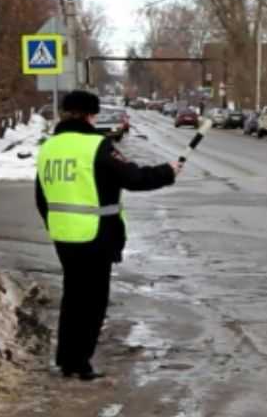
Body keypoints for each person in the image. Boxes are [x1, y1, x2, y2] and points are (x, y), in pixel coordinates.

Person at [35, 90, 182, 381]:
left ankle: (66, 358)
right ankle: (81, 363)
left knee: (73, 297)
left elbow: (41, 195)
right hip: (95, 236)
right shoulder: (97, 146)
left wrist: (54, 224)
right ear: (91, 115)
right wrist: (168, 171)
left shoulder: (49, 147)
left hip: (64, 235)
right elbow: (134, 178)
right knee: (92, 301)